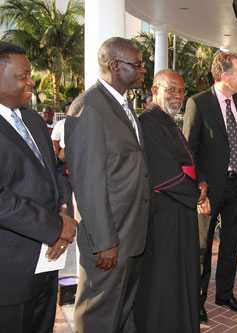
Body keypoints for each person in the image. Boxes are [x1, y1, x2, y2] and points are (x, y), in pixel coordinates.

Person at [64, 37, 151, 333]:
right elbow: (88, 182)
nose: (143, 70)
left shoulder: (123, 105)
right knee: (99, 317)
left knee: (123, 313)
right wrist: (105, 241)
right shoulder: (88, 107)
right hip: (109, 240)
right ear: (114, 66)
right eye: (136, 64)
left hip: (131, 233)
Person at [0, 41, 77, 332]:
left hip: (46, 265)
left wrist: (64, 211)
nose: (32, 81)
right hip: (9, 273)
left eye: (30, 73)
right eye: (23, 75)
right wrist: (54, 228)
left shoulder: (32, 119)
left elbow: (55, 169)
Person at [134, 69, 206, 332]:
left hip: (178, 208)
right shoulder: (149, 122)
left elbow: (187, 160)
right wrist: (196, 193)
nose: (177, 96)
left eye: (181, 91)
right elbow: (164, 173)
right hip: (164, 212)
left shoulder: (166, 120)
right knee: (164, 276)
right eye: (171, 89)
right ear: (155, 91)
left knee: (180, 273)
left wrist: (201, 182)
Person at [183, 51, 237, 323]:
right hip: (208, 190)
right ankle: (197, 302)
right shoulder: (198, 104)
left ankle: (225, 294)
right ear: (224, 77)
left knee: (231, 244)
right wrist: (198, 192)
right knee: (201, 249)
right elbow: (189, 152)